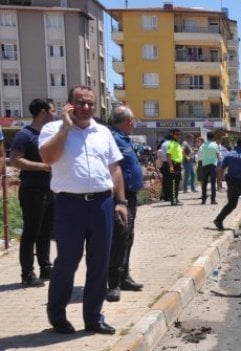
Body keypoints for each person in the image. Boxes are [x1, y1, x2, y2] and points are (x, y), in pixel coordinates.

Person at [39, 85, 128, 335]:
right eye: (80, 102)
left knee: (99, 262)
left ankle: (93, 318)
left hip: (101, 204)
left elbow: (115, 168)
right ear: (69, 104)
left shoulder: (103, 132)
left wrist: (121, 202)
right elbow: (48, 158)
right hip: (69, 205)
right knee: (67, 262)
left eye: (90, 103)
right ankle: (57, 316)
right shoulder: (52, 129)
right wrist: (66, 127)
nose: (86, 107)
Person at [10, 98, 55, 287]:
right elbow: (15, 160)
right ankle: (27, 274)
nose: (55, 114)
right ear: (43, 112)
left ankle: (46, 268)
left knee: (45, 232)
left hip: (50, 190)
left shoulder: (48, 135)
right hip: (32, 191)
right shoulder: (25, 135)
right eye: (53, 110)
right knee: (31, 233)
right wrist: (42, 167)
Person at [106, 106, 144, 302]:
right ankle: (113, 284)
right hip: (120, 197)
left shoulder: (124, 139)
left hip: (131, 196)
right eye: (134, 120)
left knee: (128, 238)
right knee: (119, 239)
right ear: (129, 121)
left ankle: (124, 277)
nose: (135, 123)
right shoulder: (112, 138)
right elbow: (112, 169)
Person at [199, 132, 220, 205]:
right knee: (213, 183)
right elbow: (218, 156)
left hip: (205, 166)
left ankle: (203, 200)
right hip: (213, 166)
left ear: (207, 137)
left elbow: (200, 156)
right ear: (213, 137)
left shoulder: (203, 145)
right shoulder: (215, 145)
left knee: (204, 183)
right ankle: (213, 200)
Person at [166, 129, 184, 205]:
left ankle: (175, 198)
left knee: (177, 183)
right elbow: (168, 155)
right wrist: (171, 166)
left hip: (178, 165)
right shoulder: (171, 143)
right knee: (173, 183)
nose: (179, 136)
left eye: (180, 134)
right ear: (173, 135)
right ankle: (173, 200)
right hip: (174, 165)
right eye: (177, 134)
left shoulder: (177, 144)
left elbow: (179, 155)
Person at [158, 135, 172, 201]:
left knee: (165, 180)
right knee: (171, 180)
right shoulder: (171, 144)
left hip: (164, 163)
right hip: (171, 163)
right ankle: (170, 196)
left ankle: (165, 196)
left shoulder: (163, 144)